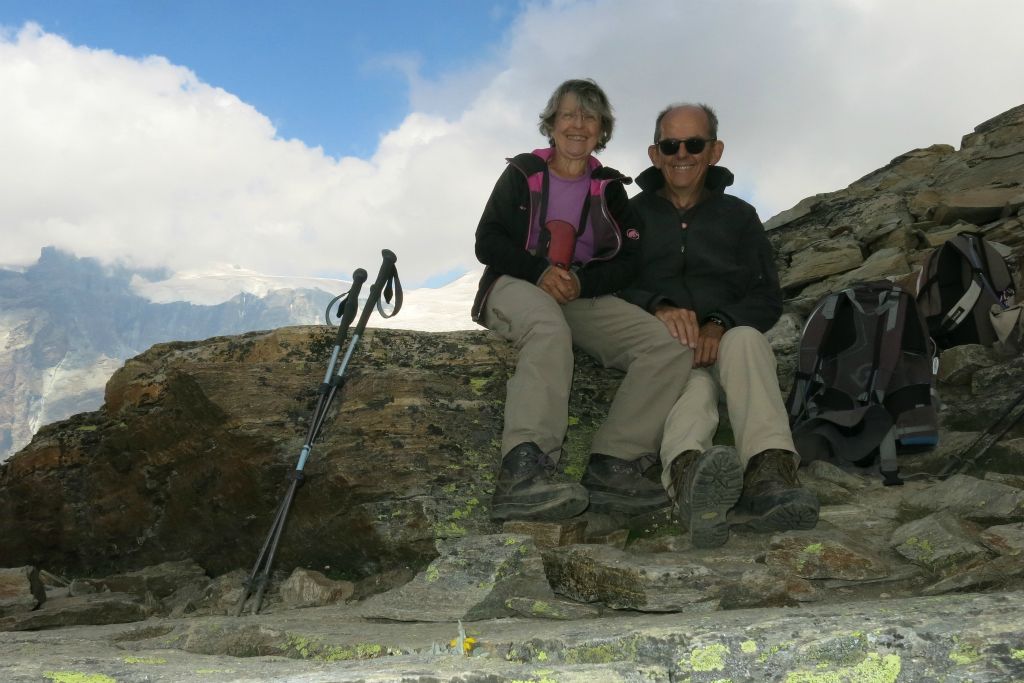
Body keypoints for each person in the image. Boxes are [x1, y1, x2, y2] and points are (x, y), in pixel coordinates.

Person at [472, 79, 694, 522]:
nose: (578, 124)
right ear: (552, 124)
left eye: (589, 117)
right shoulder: (522, 173)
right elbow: (487, 240)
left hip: (579, 292)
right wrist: (539, 272)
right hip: (516, 283)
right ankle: (523, 469)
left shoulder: (609, 187)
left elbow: (629, 261)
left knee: (666, 346)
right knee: (548, 329)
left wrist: (581, 284)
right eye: (569, 114)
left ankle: (614, 464)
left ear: (601, 130)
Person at [621, 103, 819, 548]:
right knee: (694, 388)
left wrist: (718, 323)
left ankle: (770, 473)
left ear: (715, 150)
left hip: (728, 338)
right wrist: (658, 309)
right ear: (655, 153)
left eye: (695, 144)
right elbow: (612, 285)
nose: (682, 154)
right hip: (665, 347)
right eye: (671, 145)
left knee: (747, 340)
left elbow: (766, 295)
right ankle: (691, 479)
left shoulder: (738, 216)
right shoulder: (630, 217)